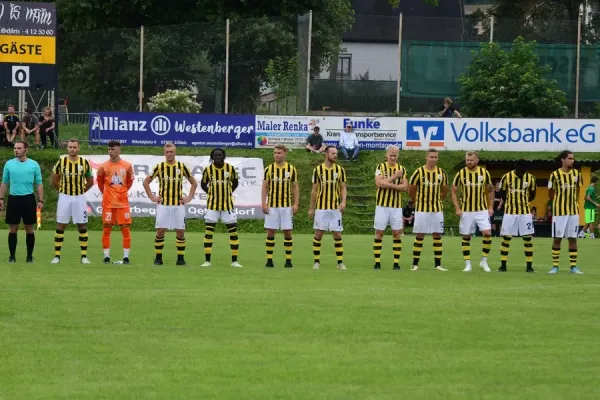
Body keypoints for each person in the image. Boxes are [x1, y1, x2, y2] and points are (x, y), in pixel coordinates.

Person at [143, 143, 197, 266]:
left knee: (180, 231)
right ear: (164, 153)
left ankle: (181, 259)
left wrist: (188, 198)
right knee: (160, 230)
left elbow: (194, 183)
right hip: (164, 205)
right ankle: (158, 258)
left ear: (175, 152)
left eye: (171, 152)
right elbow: (146, 182)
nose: (169, 154)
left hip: (178, 205)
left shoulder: (182, 167)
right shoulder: (159, 167)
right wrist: (152, 197)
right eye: (166, 152)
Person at [51, 139, 94, 264]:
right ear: (67, 148)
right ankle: (57, 256)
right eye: (70, 147)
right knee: (61, 225)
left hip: (79, 197)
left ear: (78, 148)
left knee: (82, 225)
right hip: (64, 196)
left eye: (75, 147)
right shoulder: (62, 162)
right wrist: (63, 191)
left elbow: (90, 181)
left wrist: (81, 191)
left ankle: (84, 256)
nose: (72, 149)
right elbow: (54, 180)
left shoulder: (84, 163)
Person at [0, 141, 44, 262]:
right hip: (14, 199)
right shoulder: (9, 164)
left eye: (19, 148)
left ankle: (29, 257)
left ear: (26, 149)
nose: (16, 150)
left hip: (28, 199)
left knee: (29, 228)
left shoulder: (34, 165)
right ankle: (12, 257)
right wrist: (1, 198)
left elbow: (39, 183)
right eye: (15, 148)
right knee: (12, 229)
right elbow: (4, 182)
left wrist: (41, 199)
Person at [451, 151, 494, 272]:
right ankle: (468, 264)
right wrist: (457, 208)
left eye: (471, 160)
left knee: (487, 233)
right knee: (466, 236)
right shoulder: (461, 173)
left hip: (481, 210)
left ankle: (484, 261)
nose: (469, 162)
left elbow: (491, 190)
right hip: (467, 211)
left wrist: (490, 207)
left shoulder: (484, 173)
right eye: (467, 160)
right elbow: (453, 191)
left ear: (477, 160)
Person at [200, 148, 242, 268]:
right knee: (208, 233)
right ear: (212, 157)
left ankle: (234, 261)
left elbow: (235, 182)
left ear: (223, 156)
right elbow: (203, 184)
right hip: (212, 206)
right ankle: (207, 261)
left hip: (227, 206)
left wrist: (229, 193)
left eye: (219, 155)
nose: (217, 157)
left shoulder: (230, 168)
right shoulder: (208, 170)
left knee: (233, 233)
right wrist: (211, 193)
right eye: (215, 155)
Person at [408, 148, 449, 271]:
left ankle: (438, 264)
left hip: (437, 209)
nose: (433, 159)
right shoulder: (418, 172)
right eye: (431, 157)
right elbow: (411, 188)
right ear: (426, 157)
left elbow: (445, 189)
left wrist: (439, 199)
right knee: (420, 234)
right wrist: (416, 200)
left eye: (435, 157)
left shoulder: (442, 173)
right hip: (422, 208)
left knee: (437, 235)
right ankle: (415, 264)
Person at [96, 140, 135, 264]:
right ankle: (106, 257)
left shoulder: (127, 165)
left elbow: (129, 182)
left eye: (113, 149)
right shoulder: (103, 166)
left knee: (125, 228)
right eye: (109, 149)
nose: (110, 151)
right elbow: (100, 183)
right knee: (107, 227)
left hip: (122, 203)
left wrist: (121, 192)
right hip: (108, 203)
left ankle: (126, 257)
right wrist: (108, 194)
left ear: (119, 150)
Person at [308, 146, 347, 270]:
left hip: (335, 208)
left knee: (337, 234)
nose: (335, 155)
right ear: (326, 154)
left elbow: (343, 188)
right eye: (333, 153)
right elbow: (314, 190)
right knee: (319, 233)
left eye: (336, 153)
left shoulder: (340, 170)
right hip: (321, 208)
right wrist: (311, 208)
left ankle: (340, 263)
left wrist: (343, 201)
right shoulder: (318, 170)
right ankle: (316, 262)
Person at [497, 159, 537, 273]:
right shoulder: (506, 177)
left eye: (523, 171)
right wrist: (510, 202)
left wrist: (524, 202)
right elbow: (502, 193)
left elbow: (533, 194)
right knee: (506, 238)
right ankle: (503, 266)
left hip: (525, 212)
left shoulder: (530, 178)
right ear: (516, 168)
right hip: (510, 212)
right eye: (520, 171)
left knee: (528, 238)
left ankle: (529, 267)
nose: (521, 173)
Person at [262, 144, 299, 268]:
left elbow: (295, 187)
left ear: (284, 153)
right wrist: (263, 203)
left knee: (287, 232)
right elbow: (265, 187)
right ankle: (269, 260)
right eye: (275, 153)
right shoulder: (269, 169)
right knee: (270, 232)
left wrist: (295, 203)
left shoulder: (291, 169)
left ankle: (288, 261)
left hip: (286, 206)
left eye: (279, 153)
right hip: (272, 206)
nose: (276, 155)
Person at [548, 150, 584, 274]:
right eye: (570, 158)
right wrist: (558, 203)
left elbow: (578, 190)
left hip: (573, 211)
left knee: (572, 238)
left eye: (573, 159)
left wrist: (573, 202)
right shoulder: (554, 175)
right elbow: (551, 193)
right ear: (563, 160)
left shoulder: (577, 174)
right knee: (557, 238)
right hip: (559, 212)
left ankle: (573, 267)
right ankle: (555, 266)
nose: (572, 161)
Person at [372, 145, 408, 270]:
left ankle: (396, 263)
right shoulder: (380, 167)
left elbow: (405, 187)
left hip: (396, 207)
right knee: (379, 232)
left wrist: (388, 184)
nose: (393, 157)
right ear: (387, 155)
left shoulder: (401, 169)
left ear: (398, 155)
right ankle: (377, 263)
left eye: (395, 155)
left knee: (397, 233)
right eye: (391, 155)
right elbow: (378, 184)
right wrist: (394, 178)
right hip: (382, 205)